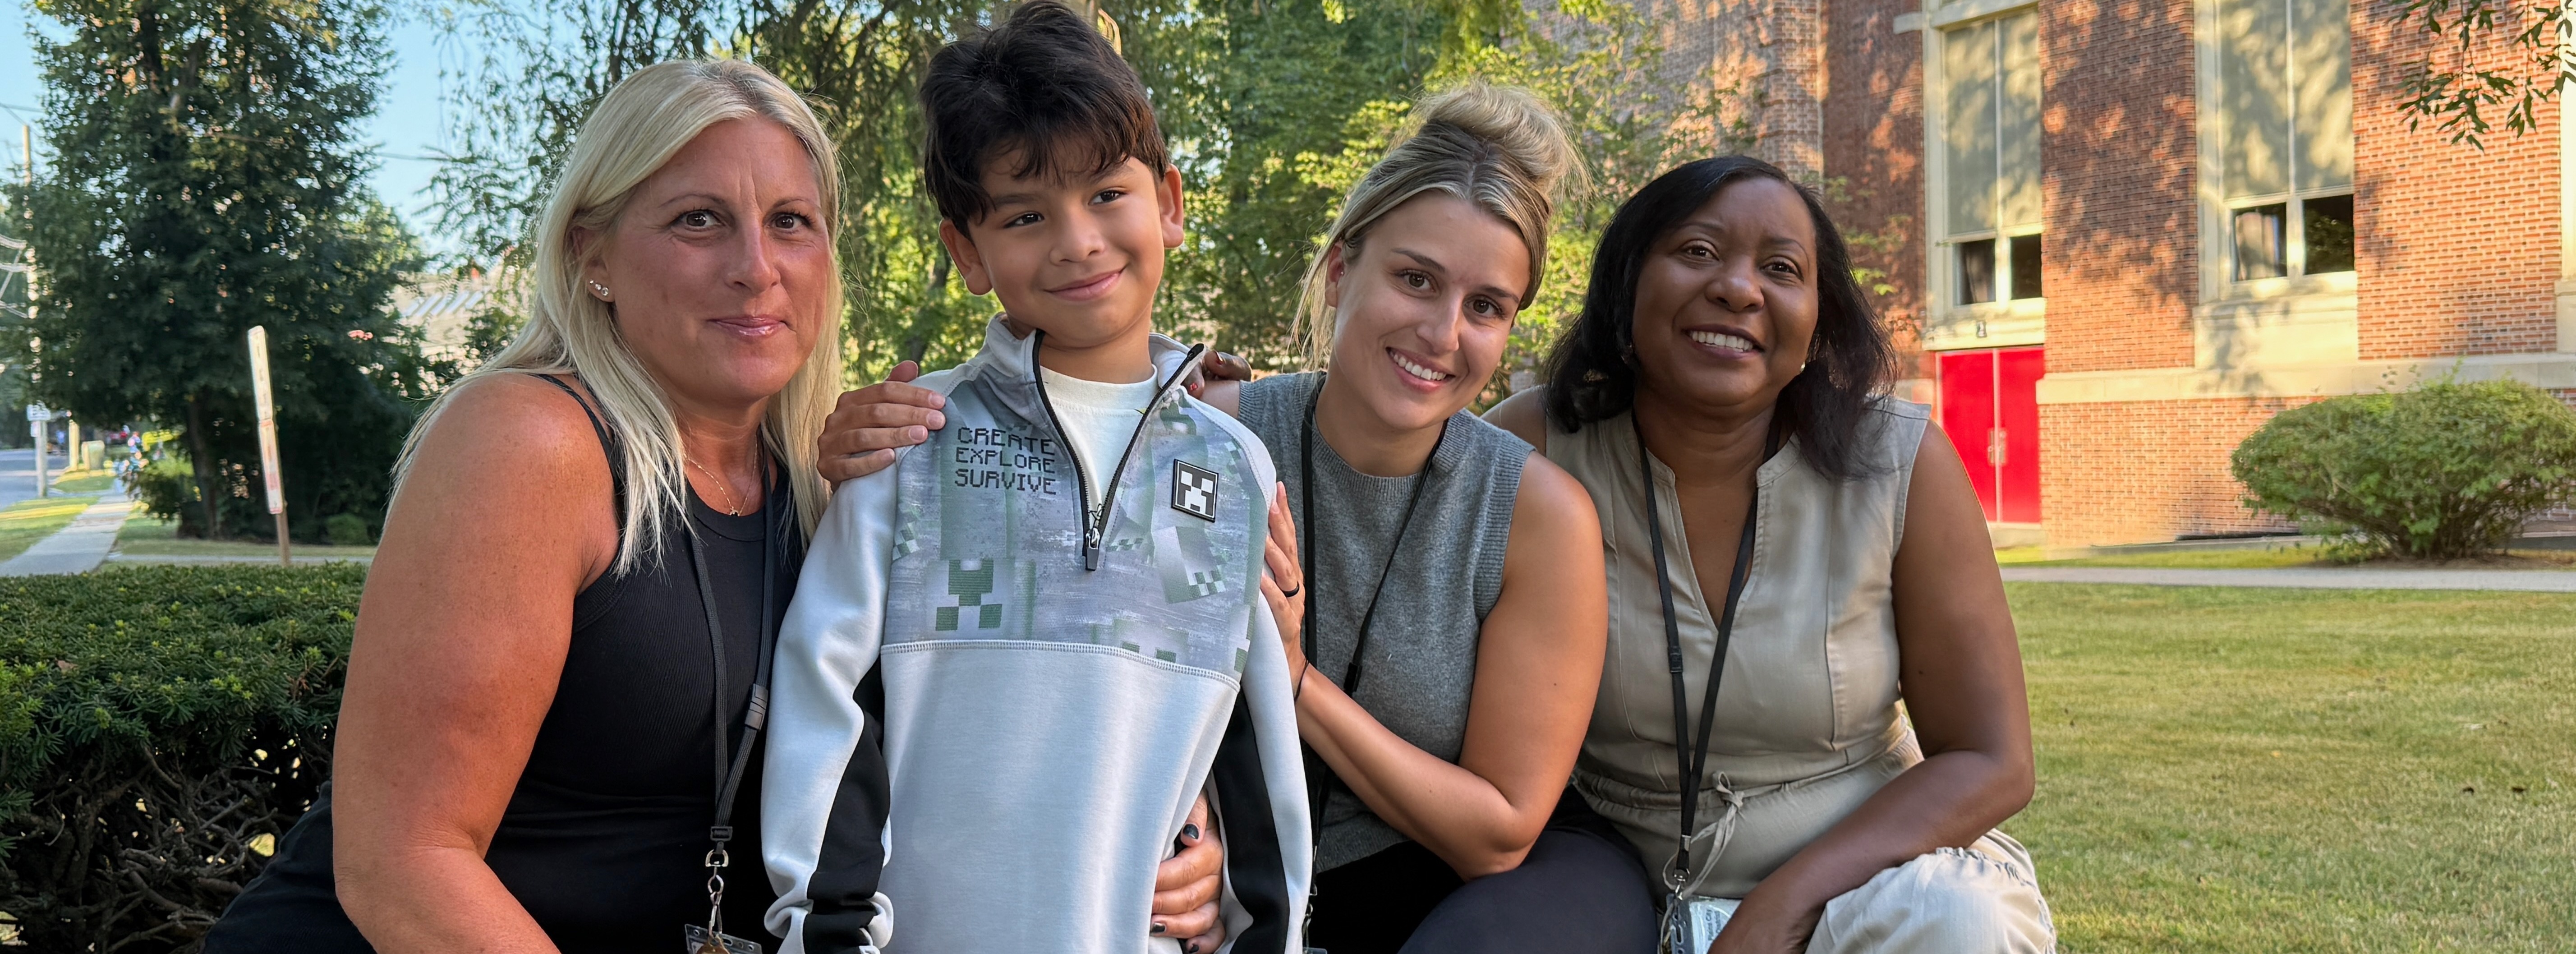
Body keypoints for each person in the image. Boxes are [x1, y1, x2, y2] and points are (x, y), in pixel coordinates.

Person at [202, 57, 1221, 954]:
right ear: (592, 255)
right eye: (699, 220)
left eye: (791, 223)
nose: (755, 268)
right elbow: (404, 864)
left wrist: (1173, 836)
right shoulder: (534, 442)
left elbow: (1001, 712)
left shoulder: (834, 482)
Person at [810, 84, 1659, 954]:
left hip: (1457, 888)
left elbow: (1499, 832)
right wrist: (1193, 840)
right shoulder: (1209, 443)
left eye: (1486, 307)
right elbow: (1114, 664)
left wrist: (1294, 677)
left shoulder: (1534, 512)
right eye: (1416, 280)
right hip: (1274, 879)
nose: (1443, 332)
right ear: (1341, 270)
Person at [757, 5, 1311, 954]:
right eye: (1025, 214)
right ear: (967, 252)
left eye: (1107, 193)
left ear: (1170, 203)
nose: (1077, 240)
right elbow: (828, 702)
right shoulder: (910, 446)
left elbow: (1251, 747)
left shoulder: (1231, 467)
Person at [1482, 157, 2053, 953]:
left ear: (1818, 321)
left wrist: (1785, 904)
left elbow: (1992, 758)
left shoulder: (1902, 465)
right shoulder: (1532, 447)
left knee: (1960, 922)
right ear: (1626, 284)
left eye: (1782, 269)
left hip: (1864, 887)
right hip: (1605, 886)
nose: (1739, 289)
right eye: (1698, 251)